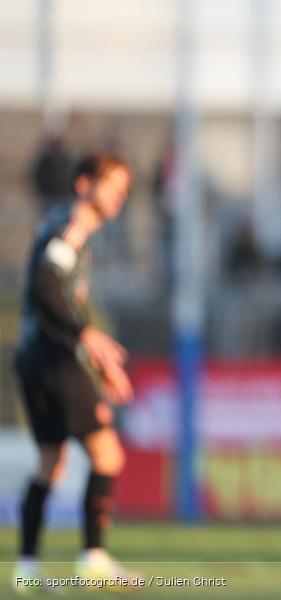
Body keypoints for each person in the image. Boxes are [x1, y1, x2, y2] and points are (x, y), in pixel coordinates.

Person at [12, 152, 136, 591]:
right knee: (107, 454)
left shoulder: (67, 228)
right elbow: (45, 284)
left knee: (51, 462)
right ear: (84, 184)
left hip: (35, 357)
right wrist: (88, 337)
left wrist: (99, 359)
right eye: (112, 185)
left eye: (124, 188)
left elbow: (56, 296)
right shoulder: (72, 225)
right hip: (54, 359)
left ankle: (27, 569)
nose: (120, 195)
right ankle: (93, 559)